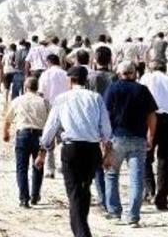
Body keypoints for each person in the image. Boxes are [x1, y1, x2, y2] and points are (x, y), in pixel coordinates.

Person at [36, 66, 112, 237]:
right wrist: (108, 152)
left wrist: (42, 150)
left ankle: (81, 233)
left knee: (75, 192)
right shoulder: (96, 97)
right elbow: (106, 129)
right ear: (86, 80)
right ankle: (82, 229)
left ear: (70, 80)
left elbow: (51, 126)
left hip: (72, 149)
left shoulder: (62, 98)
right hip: (92, 150)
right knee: (84, 190)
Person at [103, 61, 158, 226]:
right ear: (134, 73)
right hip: (138, 139)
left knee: (112, 175)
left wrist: (104, 139)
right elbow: (152, 115)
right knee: (136, 179)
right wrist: (151, 136)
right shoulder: (142, 90)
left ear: (119, 73)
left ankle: (114, 212)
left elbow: (105, 114)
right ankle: (133, 216)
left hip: (117, 138)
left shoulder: (112, 88)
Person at [140, 60, 168, 210]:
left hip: (152, 118)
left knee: (146, 156)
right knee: (166, 160)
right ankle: (162, 198)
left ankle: (150, 191)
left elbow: (142, 99)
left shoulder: (147, 78)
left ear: (151, 68)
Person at [4, 77, 49, 208]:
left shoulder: (18, 100)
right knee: (38, 166)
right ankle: (35, 196)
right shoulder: (44, 102)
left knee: (21, 168)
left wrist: (5, 133)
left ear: (25, 87)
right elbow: (50, 121)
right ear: (37, 88)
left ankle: (24, 199)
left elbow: (8, 119)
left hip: (22, 135)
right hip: (40, 136)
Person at [77, 49, 107, 212]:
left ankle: (97, 197)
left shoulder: (91, 78)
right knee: (106, 165)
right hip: (110, 122)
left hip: (93, 123)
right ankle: (106, 199)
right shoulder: (115, 77)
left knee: (95, 165)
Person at [39, 54, 70, 178]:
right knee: (63, 137)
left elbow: (41, 93)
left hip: (50, 107)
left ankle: (49, 169)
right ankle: (63, 165)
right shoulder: (65, 74)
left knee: (48, 136)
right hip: (64, 107)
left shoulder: (45, 74)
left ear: (48, 62)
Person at [2, 43, 19, 110]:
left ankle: (5, 101)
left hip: (6, 72)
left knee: (6, 88)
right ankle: (13, 102)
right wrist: (16, 66)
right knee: (14, 87)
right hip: (13, 72)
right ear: (15, 48)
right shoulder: (15, 54)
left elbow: (2, 63)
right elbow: (13, 63)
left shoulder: (6, 55)